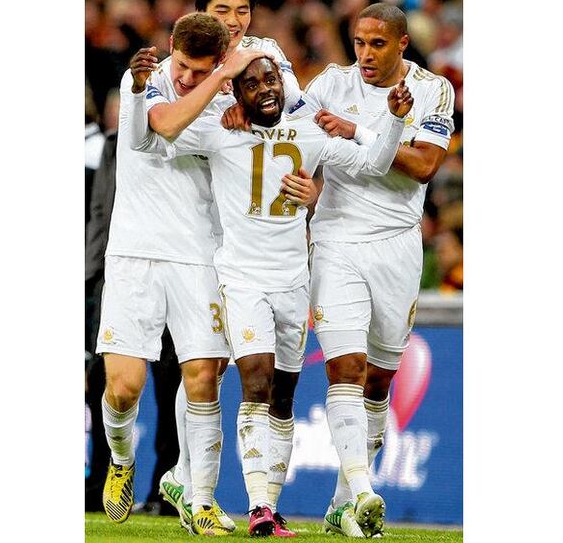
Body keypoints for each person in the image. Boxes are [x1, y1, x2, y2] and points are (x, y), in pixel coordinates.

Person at [128, 54, 413, 537]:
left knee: (284, 394)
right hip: (240, 279)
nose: (267, 88)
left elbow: (377, 161)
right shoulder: (219, 128)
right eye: (253, 83)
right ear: (236, 95)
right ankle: (256, 505)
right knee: (255, 381)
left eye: (272, 78)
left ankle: (271, 508)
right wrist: (140, 93)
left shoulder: (308, 130)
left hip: (293, 280)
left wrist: (393, 119)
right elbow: (147, 139)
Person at [97, 13, 269, 536]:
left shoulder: (227, 99)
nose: (189, 78)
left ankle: (200, 501)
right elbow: (162, 128)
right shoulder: (142, 78)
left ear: (219, 60)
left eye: (204, 71)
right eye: (186, 67)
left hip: (200, 254)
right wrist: (219, 81)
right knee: (124, 389)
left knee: (203, 379)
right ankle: (122, 460)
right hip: (134, 254)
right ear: (171, 46)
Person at [160, 0, 316, 537]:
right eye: (222, 11)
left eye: (242, 11)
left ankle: (192, 480)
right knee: (205, 360)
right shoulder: (182, 54)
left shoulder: (265, 54)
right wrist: (214, 91)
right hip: (192, 221)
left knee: (221, 365)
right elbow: (161, 125)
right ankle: (189, 477)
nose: (233, 22)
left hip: (248, 222)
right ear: (200, 13)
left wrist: (251, 110)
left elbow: (296, 122)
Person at [301, 3, 456, 538]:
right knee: (344, 367)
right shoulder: (329, 83)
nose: (365, 55)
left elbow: (423, 166)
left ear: (402, 44)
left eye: (377, 44)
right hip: (337, 239)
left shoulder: (433, 91)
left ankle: (344, 503)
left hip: (398, 245)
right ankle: (366, 492)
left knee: (380, 380)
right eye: (358, 43)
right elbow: (291, 137)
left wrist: (357, 131)